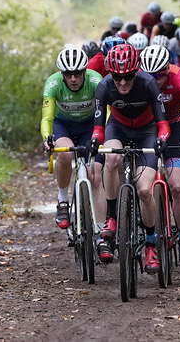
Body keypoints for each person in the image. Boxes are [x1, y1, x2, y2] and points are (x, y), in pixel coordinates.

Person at [89, 43, 170, 273]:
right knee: (111, 159)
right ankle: (112, 217)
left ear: (136, 72)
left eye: (128, 77)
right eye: (117, 77)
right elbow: (98, 128)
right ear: (110, 74)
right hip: (118, 128)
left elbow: (163, 124)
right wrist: (96, 140)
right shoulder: (104, 86)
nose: (122, 82)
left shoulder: (148, 83)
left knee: (144, 190)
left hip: (147, 132)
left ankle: (151, 245)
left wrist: (161, 139)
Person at [139, 44, 180, 265]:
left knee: (176, 186)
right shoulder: (138, 79)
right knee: (141, 182)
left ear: (167, 71)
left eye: (158, 76)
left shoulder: (179, 76)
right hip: (148, 128)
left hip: (175, 127)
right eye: (149, 76)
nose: (153, 81)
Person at [41, 47, 106, 232]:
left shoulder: (95, 80)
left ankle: (101, 233)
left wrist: (102, 134)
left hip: (90, 127)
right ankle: (63, 201)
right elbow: (47, 118)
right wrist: (47, 139)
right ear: (62, 74)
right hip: (64, 126)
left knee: (94, 177)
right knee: (66, 154)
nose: (73, 79)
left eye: (77, 74)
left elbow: (107, 113)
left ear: (85, 71)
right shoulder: (53, 84)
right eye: (68, 75)